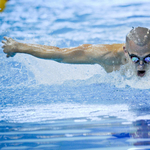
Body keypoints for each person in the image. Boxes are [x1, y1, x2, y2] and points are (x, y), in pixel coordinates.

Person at [2, 27, 150, 77]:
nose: (142, 65)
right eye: (135, 59)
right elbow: (60, 54)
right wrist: (19, 47)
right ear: (125, 51)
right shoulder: (106, 55)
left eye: (148, 59)